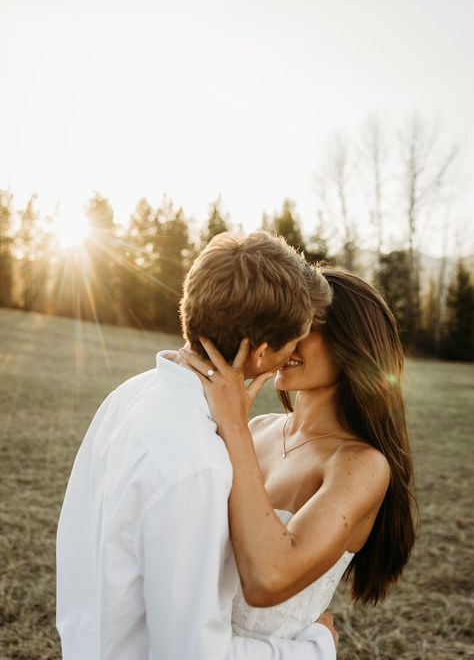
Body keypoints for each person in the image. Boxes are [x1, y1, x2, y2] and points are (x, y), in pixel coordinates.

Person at [56, 231, 339, 660]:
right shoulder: (199, 465)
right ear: (261, 355)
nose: (297, 351)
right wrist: (315, 650)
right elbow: (191, 653)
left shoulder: (131, 394)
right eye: (293, 341)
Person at [179, 267, 417, 641]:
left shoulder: (362, 464)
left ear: (352, 345)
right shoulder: (256, 430)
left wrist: (233, 426)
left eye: (308, 327)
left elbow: (266, 581)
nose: (286, 338)